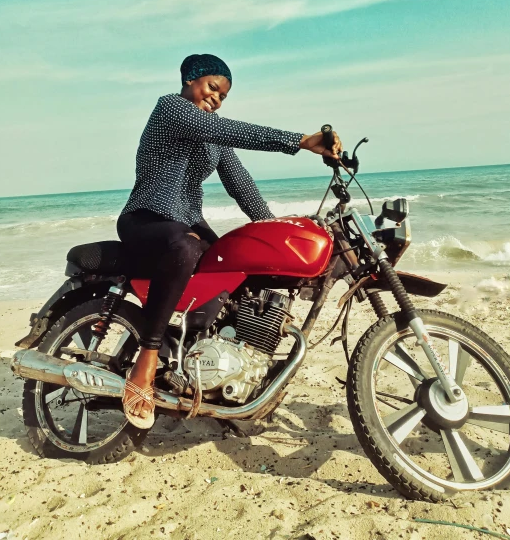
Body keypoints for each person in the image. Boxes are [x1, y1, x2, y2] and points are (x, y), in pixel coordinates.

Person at [117, 53, 342, 428]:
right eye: (212, 88)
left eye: (223, 96)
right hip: (147, 218)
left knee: (237, 267)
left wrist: (271, 228)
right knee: (186, 246)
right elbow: (237, 132)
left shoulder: (213, 133)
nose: (216, 99)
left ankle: (215, 376)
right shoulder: (172, 109)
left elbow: (240, 182)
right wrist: (301, 141)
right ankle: (147, 359)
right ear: (191, 80)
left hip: (187, 222)